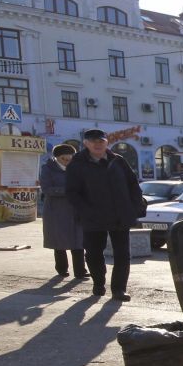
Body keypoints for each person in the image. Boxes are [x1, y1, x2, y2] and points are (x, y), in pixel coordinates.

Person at [65, 128, 146, 301]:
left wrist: (134, 207)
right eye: (94, 142)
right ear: (86, 144)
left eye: (101, 141)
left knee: (122, 254)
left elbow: (133, 185)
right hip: (93, 217)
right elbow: (72, 193)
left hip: (120, 215)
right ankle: (98, 283)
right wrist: (86, 211)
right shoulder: (77, 164)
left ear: (106, 142)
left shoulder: (118, 161)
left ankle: (119, 290)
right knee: (94, 253)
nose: (98, 145)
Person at [39, 144, 87, 279]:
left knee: (78, 241)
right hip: (56, 211)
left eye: (70, 159)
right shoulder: (48, 169)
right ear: (57, 158)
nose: (67, 162)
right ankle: (62, 269)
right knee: (59, 241)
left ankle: (80, 271)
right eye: (64, 159)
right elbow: (46, 188)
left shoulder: (77, 169)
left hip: (76, 210)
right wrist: (67, 191)